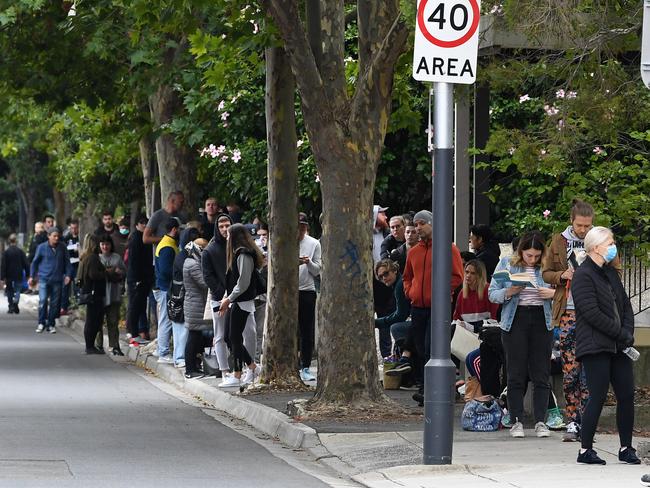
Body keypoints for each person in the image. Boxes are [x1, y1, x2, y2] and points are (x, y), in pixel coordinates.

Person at [572, 226, 640, 465]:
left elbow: (625, 306)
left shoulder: (611, 273)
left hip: (618, 345)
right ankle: (585, 450)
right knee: (598, 396)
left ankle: (626, 447)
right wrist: (620, 333)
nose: (613, 247)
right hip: (595, 345)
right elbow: (591, 313)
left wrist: (627, 333)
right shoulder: (582, 275)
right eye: (610, 242)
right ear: (596, 247)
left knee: (626, 395)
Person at [542, 199, 602, 442]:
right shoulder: (559, 241)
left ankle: (586, 423)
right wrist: (561, 275)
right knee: (570, 370)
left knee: (590, 371)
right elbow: (545, 273)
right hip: (567, 311)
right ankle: (572, 421)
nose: (583, 230)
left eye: (587, 225)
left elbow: (615, 272)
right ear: (571, 221)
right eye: (579, 225)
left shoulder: (600, 240)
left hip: (593, 313)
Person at [488, 231, 555, 439]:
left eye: (536, 256)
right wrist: (509, 292)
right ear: (521, 252)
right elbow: (492, 293)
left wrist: (552, 294)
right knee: (515, 373)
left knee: (541, 373)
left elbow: (565, 293)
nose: (532, 259)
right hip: (515, 319)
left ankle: (541, 421)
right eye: (528, 255)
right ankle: (516, 419)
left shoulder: (548, 266)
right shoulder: (507, 263)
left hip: (541, 320)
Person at [402, 210, 464, 405]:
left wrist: (440, 293)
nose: (417, 228)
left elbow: (457, 276)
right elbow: (407, 277)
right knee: (421, 348)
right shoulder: (413, 252)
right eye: (415, 224)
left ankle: (430, 389)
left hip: (438, 307)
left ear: (431, 224)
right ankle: (431, 388)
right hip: (418, 306)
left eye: (421, 224)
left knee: (432, 348)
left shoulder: (448, 248)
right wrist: (410, 292)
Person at [218, 223, 262, 387]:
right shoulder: (237, 253)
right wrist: (228, 298)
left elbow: (243, 282)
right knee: (230, 337)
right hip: (236, 300)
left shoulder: (244, 254)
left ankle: (238, 374)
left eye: (229, 235)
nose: (226, 237)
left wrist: (229, 299)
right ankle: (252, 367)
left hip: (242, 300)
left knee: (234, 337)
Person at [453, 260, 500, 396]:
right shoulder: (462, 294)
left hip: (485, 338)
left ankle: (488, 393)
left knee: (472, 358)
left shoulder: (487, 291)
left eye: (473, 273)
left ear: (480, 276)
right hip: (466, 337)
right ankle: (453, 380)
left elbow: (494, 321)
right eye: (466, 272)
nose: (468, 276)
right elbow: (457, 319)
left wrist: (472, 326)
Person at [203, 213, 234, 376]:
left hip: (237, 296)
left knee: (241, 333)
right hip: (219, 298)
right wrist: (222, 294)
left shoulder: (237, 245)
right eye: (221, 226)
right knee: (220, 335)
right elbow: (207, 276)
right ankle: (224, 370)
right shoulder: (210, 250)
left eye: (227, 225)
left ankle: (242, 368)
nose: (224, 229)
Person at [29, 227, 73, 334]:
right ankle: (41, 322)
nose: (56, 238)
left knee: (54, 303)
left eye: (58, 236)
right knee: (43, 301)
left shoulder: (62, 247)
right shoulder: (41, 247)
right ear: (49, 236)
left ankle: (51, 324)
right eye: (54, 236)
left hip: (57, 279)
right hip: (44, 278)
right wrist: (32, 276)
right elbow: (35, 262)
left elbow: (67, 262)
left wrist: (68, 275)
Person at [169, 226, 201, 368]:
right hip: (179, 297)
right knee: (181, 330)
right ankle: (180, 357)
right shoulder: (185, 257)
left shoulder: (184, 255)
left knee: (183, 330)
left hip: (181, 296)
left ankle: (180, 356)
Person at [297, 212, 322, 382]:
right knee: (291, 330)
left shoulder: (314, 243)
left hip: (307, 289)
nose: (299, 230)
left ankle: (305, 365)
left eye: (302, 226)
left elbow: (317, 269)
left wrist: (308, 262)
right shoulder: (283, 241)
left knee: (307, 330)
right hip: (287, 291)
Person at [182, 238, 211, 379]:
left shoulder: (191, 261)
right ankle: (189, 369)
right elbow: (204, 283)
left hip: (195, 305)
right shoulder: (193, 264)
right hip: (195, 306)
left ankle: (194, 366)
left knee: (196, 338)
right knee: (193, 338)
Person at [153, 218, 181, 363]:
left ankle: (161, 349)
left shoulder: (166, 243)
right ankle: (163, 352)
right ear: (175, 229)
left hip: (164, 287)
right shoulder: (168, 247)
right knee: (166, 320)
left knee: (165, 319)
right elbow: (165, 270)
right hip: (165, 288)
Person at [126, 216, 154, 343]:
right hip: (138, 278)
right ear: (137, 224)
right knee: (135, 305)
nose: (144, 225)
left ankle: (136, 332)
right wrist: (137, 279)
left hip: (144, 277)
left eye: (146, 223)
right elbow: (134, 260)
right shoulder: (137, 238)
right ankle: (134, 333)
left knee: (140, 305)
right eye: (142, 222)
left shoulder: (142, 237)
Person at [97, 235, 126, 356]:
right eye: (102, 244)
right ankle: (98, 345)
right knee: (98, 321)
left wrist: (119, 272)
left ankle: (115, 346)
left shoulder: (117, 258)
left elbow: (124, 272)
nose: (105, 247)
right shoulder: (97, 258)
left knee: (113, 321)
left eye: (107, 244)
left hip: (113, 293)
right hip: (100, 293)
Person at [77, 234, 106, 354]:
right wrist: (106, 273)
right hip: (95, 293)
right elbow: (94, 275)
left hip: (89, 291)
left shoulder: (85, 257)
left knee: (92, 319)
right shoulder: (93, 258)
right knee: (93, 319)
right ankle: (89, 346)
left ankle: (90, 345)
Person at [1, 233, 30, 314]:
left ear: (9, 241)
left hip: (9, 274)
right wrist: (28, 274)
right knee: (18, 290)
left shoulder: (6, 252)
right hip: (18, 274)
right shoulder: (20, 252)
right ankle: (16, 302)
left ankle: (11, 306)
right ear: (16, 241)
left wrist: (2, 277)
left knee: (9, 290)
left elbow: (3, 265)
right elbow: (26, 263)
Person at [61, 219, 80, 315]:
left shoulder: (81, 238)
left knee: (78, 286)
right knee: (65, 287)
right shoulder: (66, 238)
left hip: (78, 266)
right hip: (68, 266)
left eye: (75, 228)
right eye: (72, 228)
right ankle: (64, 307)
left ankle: (77, 306)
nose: (73, 230)